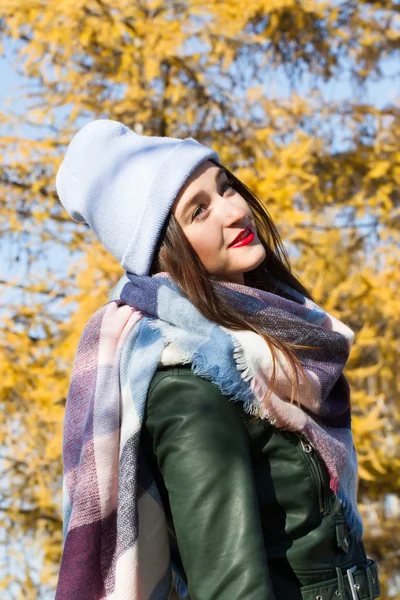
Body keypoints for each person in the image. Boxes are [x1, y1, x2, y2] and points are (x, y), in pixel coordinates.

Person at [54, 119, 380, 600]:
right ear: (164, 252)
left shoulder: (269, 342)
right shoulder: (189, 385)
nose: (234, 211)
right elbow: (232, 588)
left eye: (226, 188)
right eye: (199, 212)